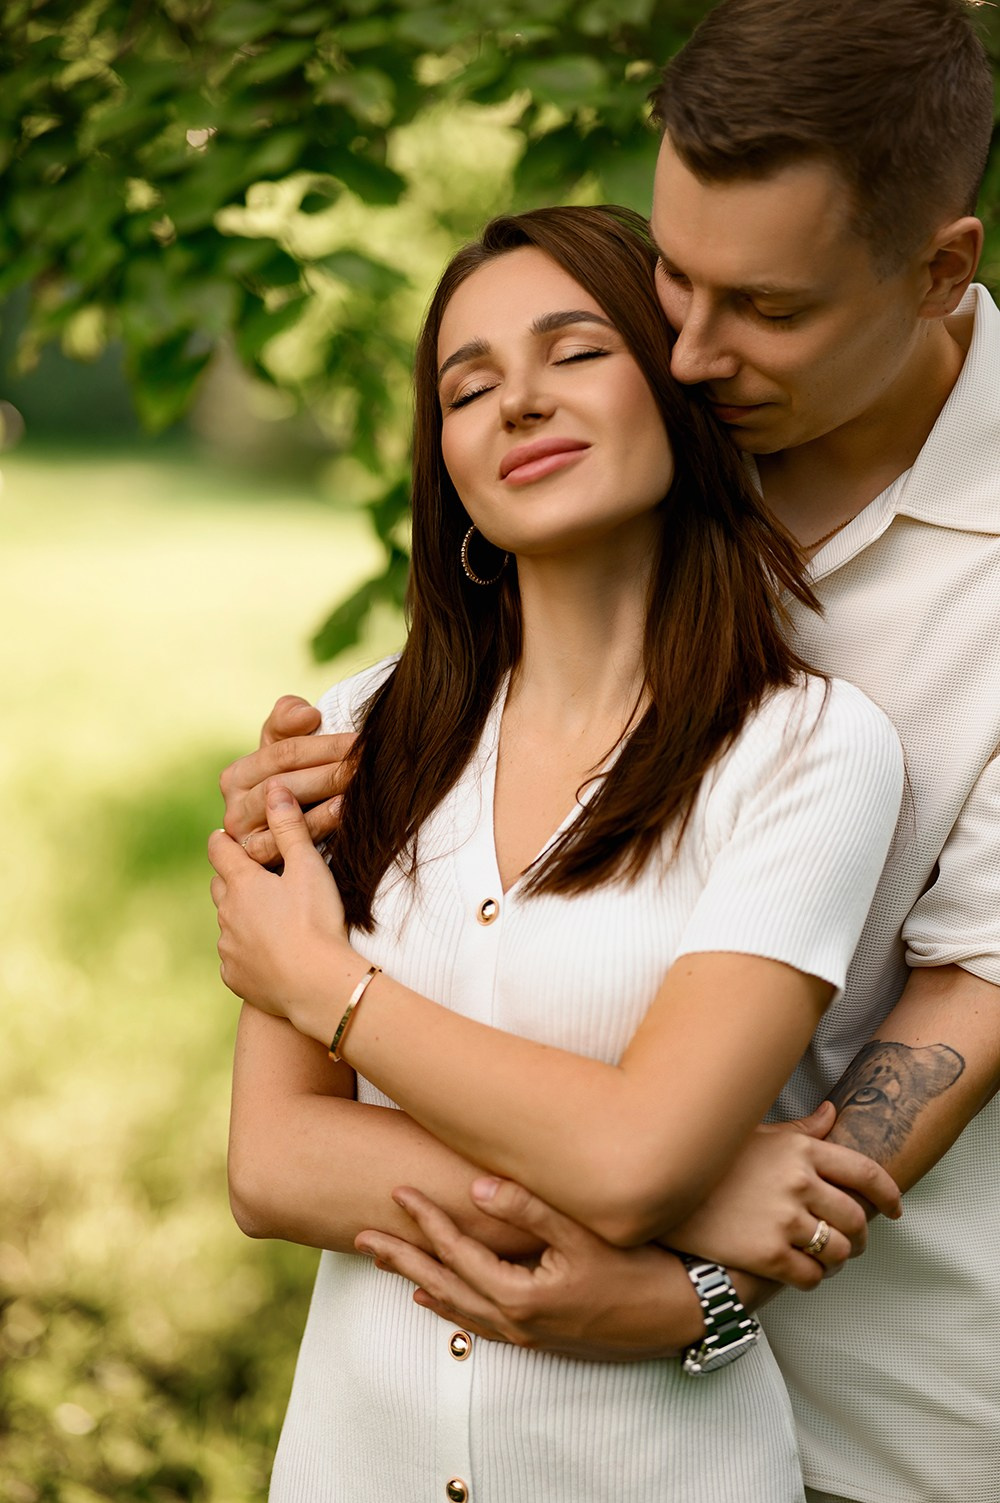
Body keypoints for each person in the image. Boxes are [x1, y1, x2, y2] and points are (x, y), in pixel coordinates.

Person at [220, 4, 1000, 1502]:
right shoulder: (651, 438)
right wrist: (300, 810)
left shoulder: (825, 719)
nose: (692, 351)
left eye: (763, 307)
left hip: (872, 1402)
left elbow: (975, 986)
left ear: (936, 272)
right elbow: (276, 1154)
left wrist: (700, 1280)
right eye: (672, 282)